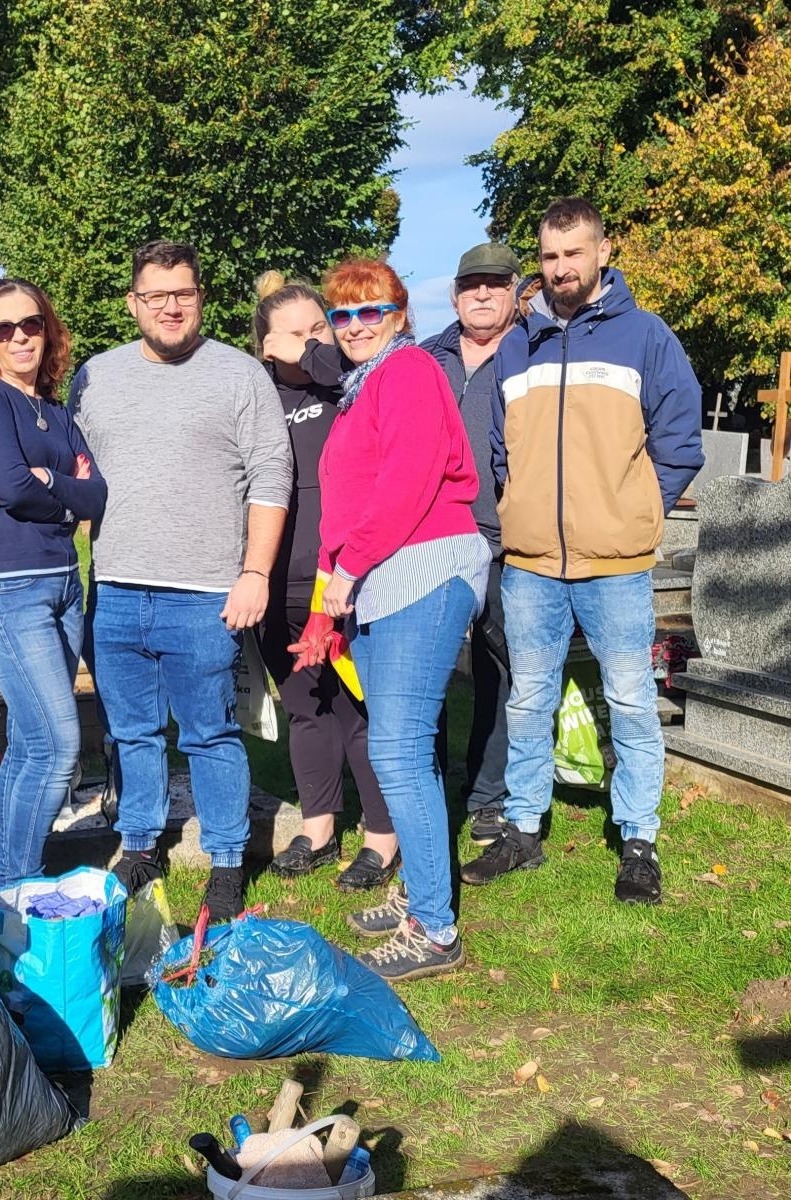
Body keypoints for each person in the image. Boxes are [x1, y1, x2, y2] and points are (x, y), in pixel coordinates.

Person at [463, 197, 704, 905]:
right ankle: (523, 830)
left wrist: (633, 511)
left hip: (617, 563)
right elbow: (503, 449)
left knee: (630, 700)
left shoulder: (647, 338)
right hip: (533, 564)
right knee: (529, 701)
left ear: (602, 251)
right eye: (549, 256)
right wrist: (522, 508)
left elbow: (680, 442)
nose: (561, 268)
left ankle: (637, 840)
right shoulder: (518, 344)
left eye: (574, 253)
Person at [73, 240, 292, 922]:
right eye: (156, 295)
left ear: (201, 297)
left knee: (209, 732)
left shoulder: (238, 375)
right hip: (114, 588)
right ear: (134, 302)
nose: (171, 306)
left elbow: (271, 476)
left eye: (184, 293)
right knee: (132, 732)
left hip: (204, 593)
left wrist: (254, 572)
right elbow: (71, 467)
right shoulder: (95, 376)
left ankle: (226, 859)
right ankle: (140, 843)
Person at [293, 257, 490, 982]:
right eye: (342, 315)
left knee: (400, 752)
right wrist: (331, 590)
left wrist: (347, 572)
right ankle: (422, 895)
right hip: (383, 579)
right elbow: (346, 505)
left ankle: (436, 931)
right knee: (402, 751)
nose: (355, 326)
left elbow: (407, 484)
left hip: (422, 570)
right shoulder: (364, 386)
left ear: (400, 315)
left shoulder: (407, 372)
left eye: (370, 310)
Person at [0, 279, 107, 890]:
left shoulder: (55, 408)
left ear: (48, 328)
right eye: (3, 328)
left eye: (31, 324)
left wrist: (48, 481)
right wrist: (57, 486)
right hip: (8, 586)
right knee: (57, 744)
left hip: (64, 583)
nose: (19, 337)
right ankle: (16, 888)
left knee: (28, 743)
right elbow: (12, 486)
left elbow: (96, 493)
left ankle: (14, 885)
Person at [252, 273, 396, 892]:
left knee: (361, 707)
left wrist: (311, 351)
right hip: (275, 580)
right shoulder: (255, 397)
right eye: (299, 333)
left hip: (342, 576)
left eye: (321, 329)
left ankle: (382, 840)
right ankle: (318, 828)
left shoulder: (351, 385)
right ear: (264, 346)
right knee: (306, 705)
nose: (317, 343)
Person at [421, 242, 524, 848]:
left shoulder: (534, 349)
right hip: (430, 537)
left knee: (498, 671)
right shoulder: (426, 357)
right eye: (470, 285)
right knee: (424, 669)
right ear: (455, 294)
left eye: (494, 283)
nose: (481, 294)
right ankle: (424, 779)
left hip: (505, 540)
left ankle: (488, 796)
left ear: (515, 290)